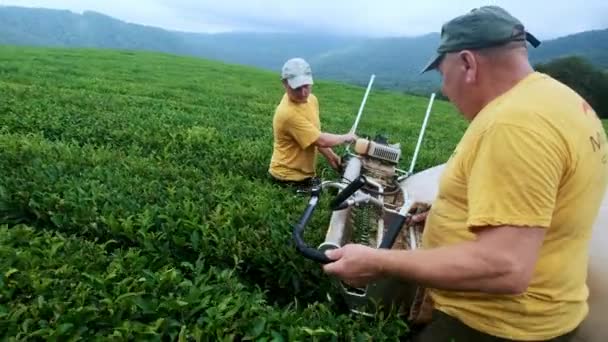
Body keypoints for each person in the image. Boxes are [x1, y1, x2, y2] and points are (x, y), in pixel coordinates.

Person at [321, 5, 608, 341]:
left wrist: (380, 262)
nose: (445, 89)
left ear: (468, 64)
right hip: (544, 314)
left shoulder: (513, 125)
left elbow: (505, 267)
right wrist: (454, 214)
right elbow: (541, 207)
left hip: (494, 326)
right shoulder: (562, 102)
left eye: (443, 74)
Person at [268, 57, 357, 190]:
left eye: (306, 86)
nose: (303, 93)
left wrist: (332, 157)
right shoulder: (287, 114)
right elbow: (321, 140)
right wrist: (346, 137)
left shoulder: (312, 100)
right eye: (297, 88)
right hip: (287, 177)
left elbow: (314, 137)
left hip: (306, 175)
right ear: (285, 84)